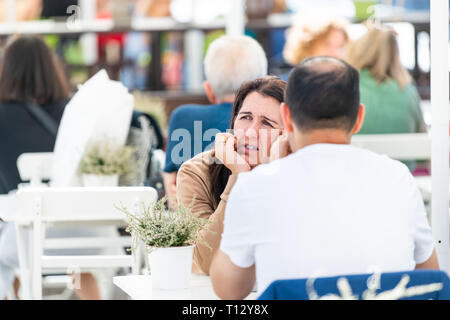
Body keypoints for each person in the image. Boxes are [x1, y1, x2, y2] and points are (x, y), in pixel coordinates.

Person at [210, 56, 439, 299]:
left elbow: (229, 291)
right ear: (359, 118)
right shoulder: (398, 178)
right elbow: (431, 277)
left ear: (286, 117)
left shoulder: (255, 187)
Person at [0, 36, 100, 300]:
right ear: (51, 68)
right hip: (86, 233)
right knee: (78, 264)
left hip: (28, 236)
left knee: (7, 250)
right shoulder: (75, 112)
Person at [177, 76, 288, 275]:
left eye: (267, 123)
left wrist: (273, 174)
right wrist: (239, 177)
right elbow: (207, 262)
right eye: (245, 117)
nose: (250, 132)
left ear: (287, 134)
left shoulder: (297, 170)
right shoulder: (195, 172)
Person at [162, 35, 268, 207]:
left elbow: (173, 197)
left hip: (196, 224)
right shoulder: (272, 125)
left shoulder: (183, 118)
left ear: (209, 90)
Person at [346, 23, 426, 171]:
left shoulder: (346, 87)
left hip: (356, 177)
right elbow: (422, 151)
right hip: (400, 182)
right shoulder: (407, 91)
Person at [281, 16, 348, 80]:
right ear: (308, 46)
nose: (335, 54)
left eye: (340, 46)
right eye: (327, 45)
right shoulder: (285, 87)